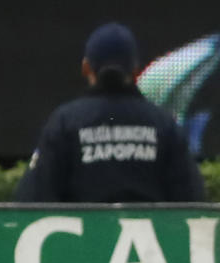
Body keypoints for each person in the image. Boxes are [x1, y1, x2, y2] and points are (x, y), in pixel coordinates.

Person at [14, 23, 206, 204]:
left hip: (81, 239)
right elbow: (193, 201)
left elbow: (32, 199)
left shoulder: (64, 122)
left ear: (86, 68)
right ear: (137, 71)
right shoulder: (166, 125)